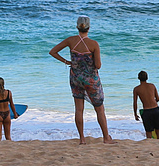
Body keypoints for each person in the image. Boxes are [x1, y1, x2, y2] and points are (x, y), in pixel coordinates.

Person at [49, 16, 115, 144]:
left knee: (79, 109)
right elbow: (98, 65)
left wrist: (67, 61)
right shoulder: (94, 44)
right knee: (99, 108)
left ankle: (82, 139)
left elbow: (53, 51)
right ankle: (106, 138)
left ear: (77, 27)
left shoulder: (71, 40)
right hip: (91, 79)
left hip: (75, 78)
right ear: (89, 28)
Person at [133, 70, 159, 139]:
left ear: (138, 78)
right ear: (147, 78)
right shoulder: (152, 86)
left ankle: (150, 147)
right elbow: (158, 99)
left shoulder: (136, 89)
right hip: (156, 110)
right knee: (158, 131)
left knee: (148, 132)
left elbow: (135, 103)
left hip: (147, 112)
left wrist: (135, 114)